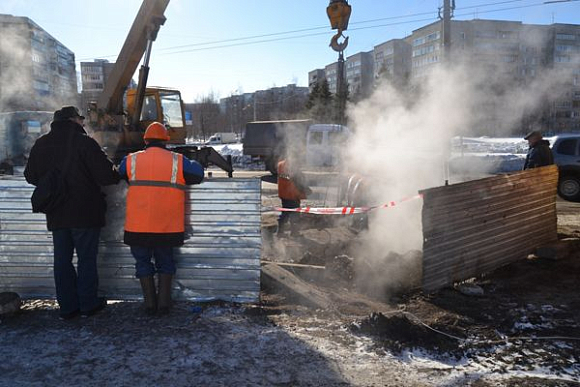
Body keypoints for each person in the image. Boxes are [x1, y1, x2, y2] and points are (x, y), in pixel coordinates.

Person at [24, 106, 120, 320]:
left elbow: (30, 176)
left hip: (56, 213)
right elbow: (106, 176)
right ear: (72, 120)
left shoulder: (41, 144)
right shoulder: (84, 143)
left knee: (62, 260)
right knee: (86, 259)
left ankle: (67, 307)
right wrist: (115, 171)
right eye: (80, 118)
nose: (83, 122)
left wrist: (52, 182)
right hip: (85, 212)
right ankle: (88, 304)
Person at [118, 122, 204, 315]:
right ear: (166, 140)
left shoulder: (131, 160)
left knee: (142, 263)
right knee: (166, 262)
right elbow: (198, 174)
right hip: (167, 227)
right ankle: (164, 305)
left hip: (137, 227)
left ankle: (149, 305)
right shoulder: (177, 161)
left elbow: (118, 173)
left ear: (145, 140)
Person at [277, 157, 311, 237]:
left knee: (285, 212)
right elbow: (298, 181)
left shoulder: (280, 164)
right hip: (292, 194)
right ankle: (294, 233)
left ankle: (280, 232)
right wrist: (307, 190)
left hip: (283, 193)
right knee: (295, 215)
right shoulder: (293, 167)